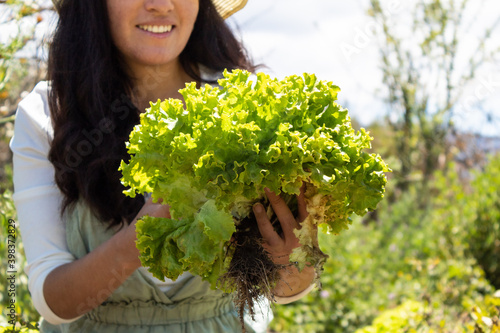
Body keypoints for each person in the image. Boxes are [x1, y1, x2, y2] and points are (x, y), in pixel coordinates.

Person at [10, 0, 316, 332]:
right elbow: (52, 302)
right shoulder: (47, 113)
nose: (160, 5)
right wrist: (136, 244)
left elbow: (287, 290)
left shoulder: (248, 101)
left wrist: (292, 263)